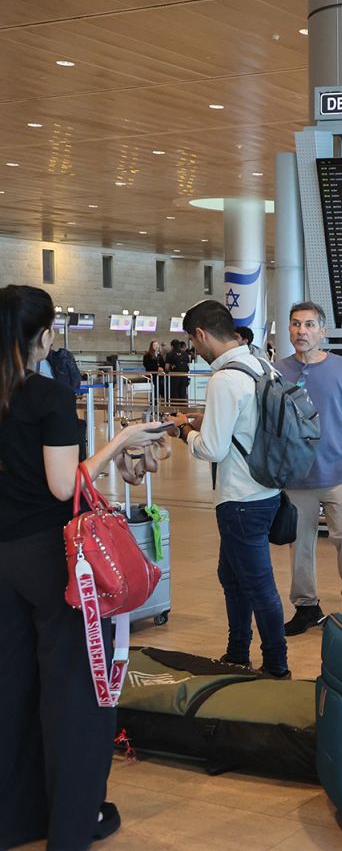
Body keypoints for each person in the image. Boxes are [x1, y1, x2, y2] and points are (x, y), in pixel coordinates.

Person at [0, 285, 170, 850]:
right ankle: (72, 825)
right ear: (45, 336)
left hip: (3, 557)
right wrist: (119, 440)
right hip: (51, 560)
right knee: (73, 693)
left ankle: (17, 818)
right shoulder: (47, 398)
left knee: (14, 688)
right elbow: (63, 485)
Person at [170, 301, 288, 678]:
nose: (195, 349)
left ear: (201, 334)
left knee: (258, 585)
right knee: (232, 575)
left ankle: (276, 665)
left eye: (193, 340)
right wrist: (208, 421)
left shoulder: (224, 378)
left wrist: (183, 431)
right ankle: (237, 652)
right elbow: (250, 423)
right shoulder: (259, 363)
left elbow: (212, 449)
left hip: (240, 499)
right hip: (267, 490)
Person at [274, 302, 342, 635]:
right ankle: (306, 607)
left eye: (308, 325)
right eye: (295, 324)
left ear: (322, 331)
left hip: (339, 471)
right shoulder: (277, 371)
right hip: (296, 476)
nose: (301, 331)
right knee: (299, 544)